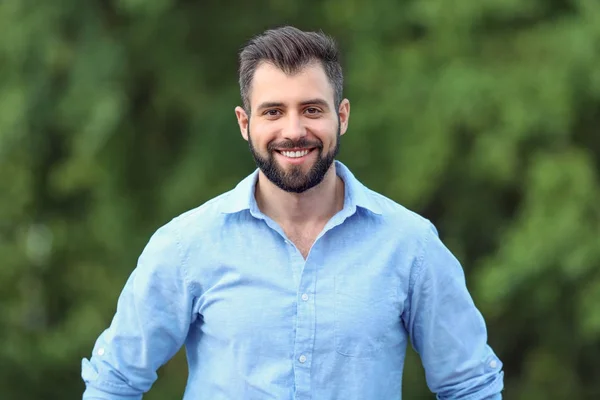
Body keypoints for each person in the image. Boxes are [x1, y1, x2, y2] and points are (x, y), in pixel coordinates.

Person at [81, 25, 504, 399]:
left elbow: (470, 386)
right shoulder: (185, 246)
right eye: (273, 112)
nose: (294, 130)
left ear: (342, 116)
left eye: (312, 109)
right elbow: (114, 380)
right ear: (245, 123)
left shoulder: (411, 246)